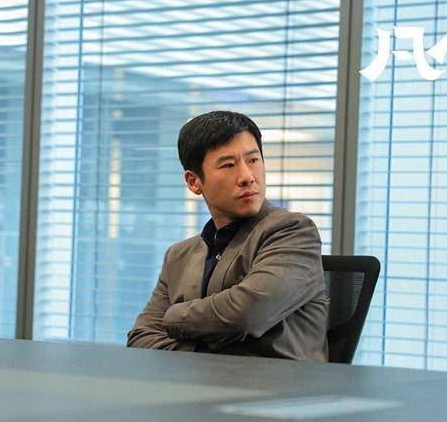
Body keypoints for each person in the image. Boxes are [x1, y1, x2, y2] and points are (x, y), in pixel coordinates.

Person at [126, 111, 329, 361]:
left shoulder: (293, 232)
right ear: (194, 181)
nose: (247, 177)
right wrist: (204, 353)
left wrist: (173, 317)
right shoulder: (178, 256)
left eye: (253, 160)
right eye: (228, 165)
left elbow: (248, 314)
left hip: (277, 385)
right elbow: (141, 338)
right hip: (196, 383)